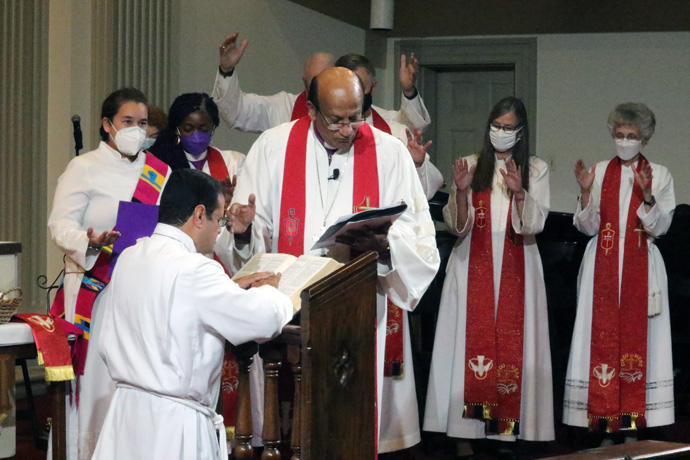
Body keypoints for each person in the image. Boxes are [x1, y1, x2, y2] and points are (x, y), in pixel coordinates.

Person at [229, 67, 440, 454]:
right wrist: (242, 231)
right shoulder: (273, 147)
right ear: (310, 109)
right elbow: (251, 229)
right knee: (286, 424)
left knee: (346, 427)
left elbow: (421, 235)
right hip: (286, 310)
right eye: (336, 120)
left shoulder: (389, 151)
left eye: (356, 116)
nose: (348, 130)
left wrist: (387, 241)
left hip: (355, 308)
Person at [91, 168, 293, 460]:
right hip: (173, 427)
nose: (220, 229)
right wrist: (272, 289)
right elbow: (262, 320)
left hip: (125, 415)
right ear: (200, 215)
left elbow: (170, 303)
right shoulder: (196, 269)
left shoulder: (131, 256)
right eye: (220, 219)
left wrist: (231, 287)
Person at [423, 97, 554, 455]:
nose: (501, 133)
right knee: (465, 343)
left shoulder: (536, 168)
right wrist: (462, 191)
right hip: (471, 268)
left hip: (519, 266)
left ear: (522, 132)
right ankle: (464, 431)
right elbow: (458, 226)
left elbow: (534, 225)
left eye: (509, 127)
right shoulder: (469, 164)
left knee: (514, 345)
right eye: (497, 125)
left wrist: (519, 192)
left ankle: (505, 432)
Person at [48, 87, 171, 459]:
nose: (137, 130)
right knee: (98, 384)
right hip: (94, 292)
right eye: (127, 122)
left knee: (133, 385)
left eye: (143, 123)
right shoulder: (84, 168)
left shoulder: (160, 173)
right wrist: (90, 241)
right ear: (107, 125)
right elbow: (59, 225)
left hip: (140, 296)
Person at [563, 103, 676, 437]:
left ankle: (632, 425)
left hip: (643, 268)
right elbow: (586, 227)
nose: (624, 140)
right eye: (619, 134)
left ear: (645, 139)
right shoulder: (598, 171)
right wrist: (585, 191)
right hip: (602, 266)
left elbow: (662, 228)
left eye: (632, 136)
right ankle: (601, 423)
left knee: (641, 342)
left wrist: (647, 195)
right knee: (598, 340)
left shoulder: (660, 173)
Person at [211, 31, 431, 135]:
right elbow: (236, 112)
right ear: (303, 80)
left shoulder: (368, 115)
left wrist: (409, 91)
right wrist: (226, 70)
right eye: (312, 83)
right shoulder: (282, 108)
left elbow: (411, 129)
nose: (318, 89)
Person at [335, 53, 444, 199]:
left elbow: (423, 194)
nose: (351, 93)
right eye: (344, 86)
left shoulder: (395, 132)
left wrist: (417, 166)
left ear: (373, 87)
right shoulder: (322, 130)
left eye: (359, 86)